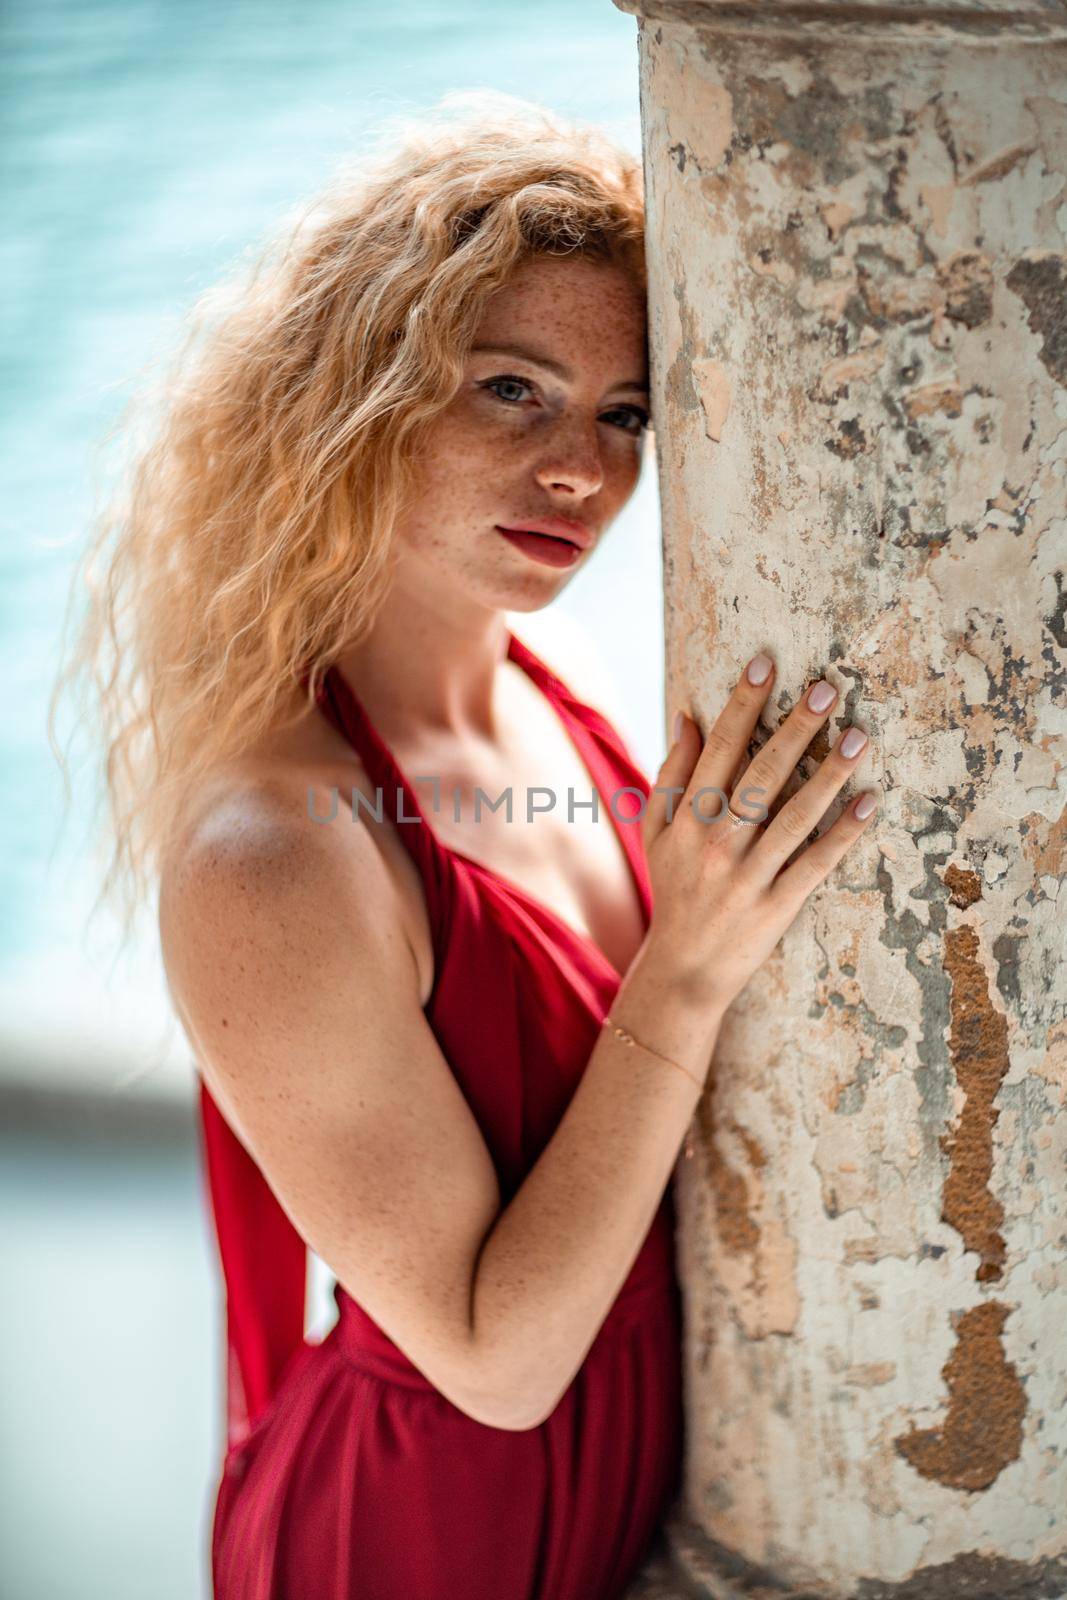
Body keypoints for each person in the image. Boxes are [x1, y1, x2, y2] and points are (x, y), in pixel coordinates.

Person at [60, 91, 878, 1600]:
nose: (581, 467)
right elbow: (495, 1363)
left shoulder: (554, 708)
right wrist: (684, 975)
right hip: (417, 1542)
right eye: (513, 389)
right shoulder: (275, 845)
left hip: (619, 1507)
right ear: (357, 394)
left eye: (624, 412)